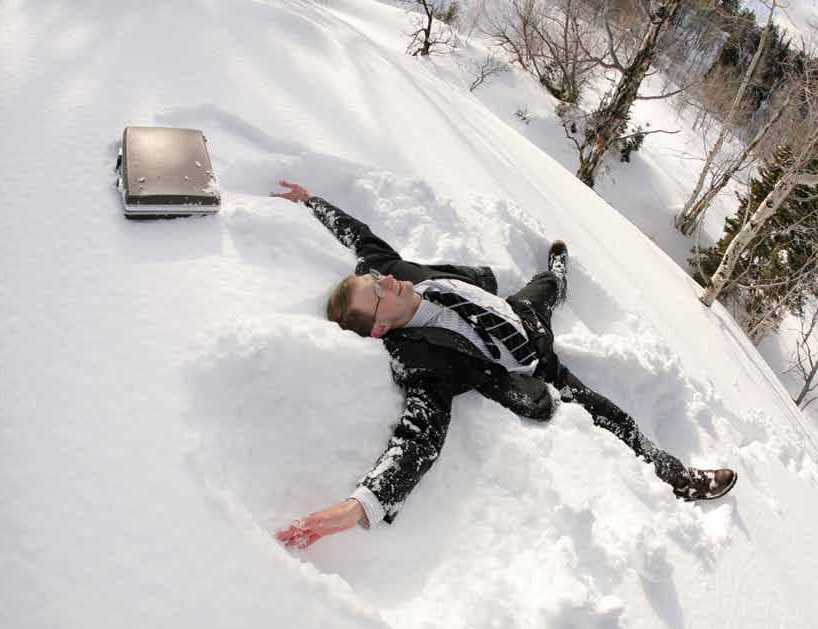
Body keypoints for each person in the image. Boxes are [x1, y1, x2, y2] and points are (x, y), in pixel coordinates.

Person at [271, 180, 737, 549]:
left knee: (546, 287)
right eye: (377, 292)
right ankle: (677, 476)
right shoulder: (421, 357)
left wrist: (313, 200)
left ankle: (558, 274)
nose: (386, 280)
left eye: (376, 278)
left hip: (518, 313)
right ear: (377, 329)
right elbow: (420, 435)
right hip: (534, 366)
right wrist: (362, 505)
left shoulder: (400, 276)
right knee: (611, 416)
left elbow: (362, 238)